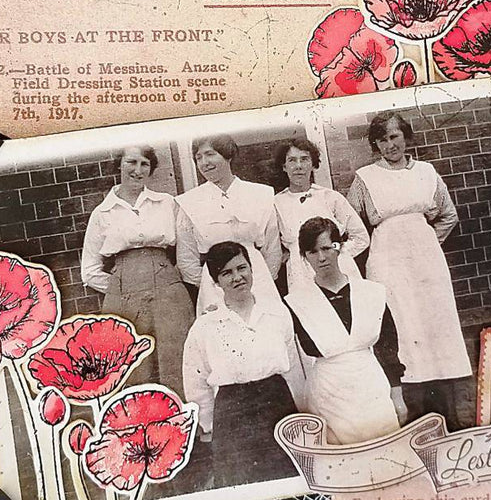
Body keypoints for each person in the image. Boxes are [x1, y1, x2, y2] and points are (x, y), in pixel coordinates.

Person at [346, 111, 474, 427]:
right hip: (387, 262)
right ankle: (412, 412)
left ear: (406, 137)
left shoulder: (427, 172)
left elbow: (448, 215)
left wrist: (426, 242)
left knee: (434, 326)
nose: (390, 145)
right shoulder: (365, 178)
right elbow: (351, 225)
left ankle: (447, 411)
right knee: (402, 326)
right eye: (382, 140)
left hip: (427, 263)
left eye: (394, 137)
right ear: (375, 145)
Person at [180, 241, 304, 489]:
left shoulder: (277, 314)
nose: (237, 277)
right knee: (241, 485)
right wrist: (208, 425)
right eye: (227, 273)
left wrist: (300, 411)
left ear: (251, 269)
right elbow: (196, 379)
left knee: (287, 484)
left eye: (242, 268)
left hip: (277, 404)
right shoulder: (206, 326)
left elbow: (293, 368)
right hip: (233, 413)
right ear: (216, 281)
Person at [79, 144, 193, 391]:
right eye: (131, 162)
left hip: (168, 292)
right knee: (135, 367)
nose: (138, 170)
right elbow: (89, 271)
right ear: (119, 164)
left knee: (178, 359)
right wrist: (121, 286)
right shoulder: (102, 213)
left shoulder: (167, 203)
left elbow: (186, 257)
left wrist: (172, 282)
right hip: (124, 298)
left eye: (144, 164)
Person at [284, 217, 402, 446]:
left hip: (372, 385)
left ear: (338, 247)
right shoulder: (297, 303)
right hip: (328, 393)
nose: (321, 257)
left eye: (327, 248)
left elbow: (387, 345)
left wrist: (396, 394)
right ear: (304, 256)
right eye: (312, 252)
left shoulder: (371, 292)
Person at [175, 134, 284, 315]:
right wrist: (212, 284)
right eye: (198, 158)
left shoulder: (259, 194)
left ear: (228, 155)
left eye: (210, 154)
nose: (204, 163)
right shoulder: (190, 202)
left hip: (258, 281)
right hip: (214, 286)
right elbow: (186, 259)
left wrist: (262, 281)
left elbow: (272, 248)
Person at [272, 135, 369, 293]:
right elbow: (272, 247)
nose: (299, 166)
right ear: (284, 166)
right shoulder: (276, 204)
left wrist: (336, 253)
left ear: (313, 164)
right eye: (292, 160)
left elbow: (361, 237)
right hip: (301, 276)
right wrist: (292, 257)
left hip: (339, 271)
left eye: (304, 159)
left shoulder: (330, 197)